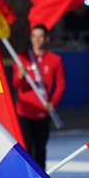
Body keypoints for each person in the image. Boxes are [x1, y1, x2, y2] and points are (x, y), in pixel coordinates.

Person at [15, 25, 65, 169]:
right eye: (34, 36)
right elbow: (16, 83)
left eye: (40, 36)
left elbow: (61, 85)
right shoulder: (22, 59)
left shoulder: (55, 60)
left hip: (43, 112)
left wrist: (53, 102)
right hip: (24, 112)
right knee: (25, 148)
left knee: (40, 148)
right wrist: (20, 76)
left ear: (47, 39)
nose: (37, 39)